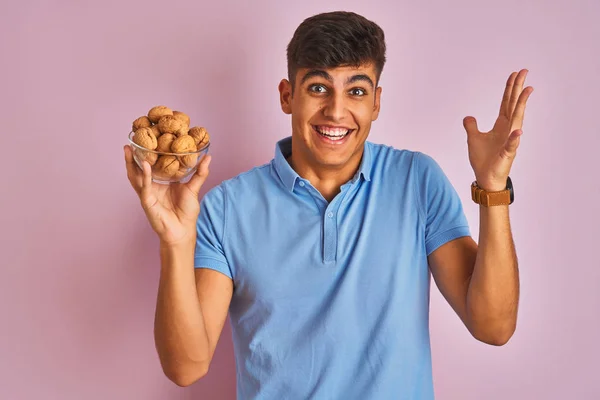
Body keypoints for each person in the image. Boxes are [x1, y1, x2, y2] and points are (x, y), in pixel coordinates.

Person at [124, 10, 533, 400]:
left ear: (375, 102)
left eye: (356, 90)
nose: (336, 111)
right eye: (318, 87)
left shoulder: (417, 181)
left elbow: (493, 326)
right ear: (288, 96)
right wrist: (174, 241)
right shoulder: (227, 208)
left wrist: (493, 189)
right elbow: (187, 367)